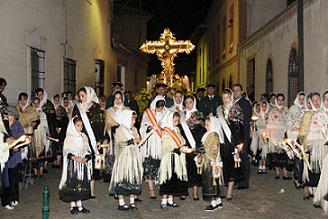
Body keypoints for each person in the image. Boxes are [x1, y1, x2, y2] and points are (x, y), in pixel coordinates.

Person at [72, 86, 109, 198]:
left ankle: (92, 190)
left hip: (94, 139)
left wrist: (100, 140)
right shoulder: (77, 107)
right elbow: (73, 122)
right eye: (80, 96)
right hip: (81, 138)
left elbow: (101, 125)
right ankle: (81, 188)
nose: (81, 98)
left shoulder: (97, 108)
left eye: (83, 96)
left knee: (93, 164)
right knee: (82, 162)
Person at [108, 110, 142, 211]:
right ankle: (121, 202)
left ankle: (132, 201)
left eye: (135, 119)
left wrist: (139, 141)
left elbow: (138, 138)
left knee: (132, 179)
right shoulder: (119, 130)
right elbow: (120, 144)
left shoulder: (134, 129)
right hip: (123, 158)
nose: (134, 121)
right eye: (132, 119)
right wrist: (132, 141)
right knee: (122, 179)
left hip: (133, 157)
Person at [59, 116, 92, 214]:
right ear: (73, 126)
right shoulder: (69, 138)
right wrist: (75, 158)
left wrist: (86, 157)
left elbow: (87, 148)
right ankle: (73, 205)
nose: (80, 128)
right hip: (73, 164)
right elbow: (66, 151)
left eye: (81, 126)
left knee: (80, 184)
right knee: (73, 183)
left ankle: (80, 205)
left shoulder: (83, 136)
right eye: (78, 125)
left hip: (82, 163)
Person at [298, 92, 328, 200]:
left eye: (318, 100)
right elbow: (303, 130)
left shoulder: (323, 113)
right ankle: (307, 188)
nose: (316, 102)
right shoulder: (309, 114)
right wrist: (305, 146)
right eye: (313, 100)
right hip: (312, 144)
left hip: (323, 146)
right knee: (311, 168)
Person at [216, 88, 243, 200]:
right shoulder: (219, 110)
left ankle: (229, 192)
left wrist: (240, 143)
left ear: (231, 97)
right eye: (224, 98)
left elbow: (240, 127)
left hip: (232, 141)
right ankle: (222, 189)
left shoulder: (236, 108)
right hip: (222, 141)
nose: (226, 100)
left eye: (228, 97)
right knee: (222, 164)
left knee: (232, 166)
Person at [158, 111, 188, 209]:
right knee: (167, 179)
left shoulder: (177, 130)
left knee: (174, 179)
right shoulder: (166, 131)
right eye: (175, 121)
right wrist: (177, 149)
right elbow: (166, 145)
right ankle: (164, 200)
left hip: (177, 158)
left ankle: (171, 199)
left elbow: (182, 139)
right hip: (168, 158)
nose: (176, 123)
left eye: (177, 121)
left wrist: (183, 145)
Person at [140, 95, 167, 199]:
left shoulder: (166, 113)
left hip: (161, 141)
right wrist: (148, 127)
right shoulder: (148, 113)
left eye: (161, 106)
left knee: (160, 166)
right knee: (150, 166)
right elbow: (143, 125)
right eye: (158, 106)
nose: (159, 109)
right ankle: (151, 189)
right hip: (151, 142)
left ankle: (160, 185)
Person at [180, 95, 206, 200]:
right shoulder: (182, 115)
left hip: (195, 144)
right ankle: (184, 190)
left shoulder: (199, 114)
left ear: (194, 103)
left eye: (190, 102)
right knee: (184, 168)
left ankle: (195, 192)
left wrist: (198, 147)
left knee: (195, 169)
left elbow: (202, 130)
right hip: (184, 144)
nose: (188, 104)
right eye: (186, 102)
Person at [197, 116, 224, 211]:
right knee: (213, 181)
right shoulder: (208, 134)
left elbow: (212, 149)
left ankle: (213, 203)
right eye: (205, 124)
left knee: (211, 182)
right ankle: (218, 201)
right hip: (207, 161)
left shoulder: (214, 135)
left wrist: (197, 151)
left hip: (211, 162)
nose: (206, 126)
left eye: (208, 125)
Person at [1, 106, 24, 210]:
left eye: (12, 119)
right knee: (6, 180)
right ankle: (7, 199)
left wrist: (19, 145)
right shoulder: (3, 128)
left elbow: (21, 137)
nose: (10, 121)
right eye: (8, 119)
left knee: (14, 178)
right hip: (6, 157)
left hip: (15, 156)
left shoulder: (17, 125)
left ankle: (15, 197)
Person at [103, 90, 129, 182]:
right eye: (116, 98)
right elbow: (107, 126)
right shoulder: (109, 111)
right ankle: (112, 176)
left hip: (124, 137)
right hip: (113, 137)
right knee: (112, 156)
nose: (118, 101)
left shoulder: (127, 110)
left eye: (120, 98)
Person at [232, 84, 252, 189]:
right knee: (236, 157)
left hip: (242, 133)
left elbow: (245, 119)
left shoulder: (245, 103)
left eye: (238, 90)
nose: (236, 92)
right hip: (234, 134)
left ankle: (244, 181)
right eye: (234, 90)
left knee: (243, 157)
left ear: (242, 91)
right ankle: (237, 178)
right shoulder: (232, 103)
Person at [266, 93, 290, 180]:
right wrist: (268, 135)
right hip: (274, 134)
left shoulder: (286, 110)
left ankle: (285, 173)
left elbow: (289, 121)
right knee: (275, 153)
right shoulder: (272, 111)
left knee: (284, 153)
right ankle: (277, 172)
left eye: (281, 100)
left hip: (283, 133)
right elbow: (269, 123)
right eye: (278, 100)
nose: (280, 102)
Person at [35, 88, 57, 173]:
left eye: (42, 94)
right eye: (39, 95)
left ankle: (44, 166)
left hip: (47, 127)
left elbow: (52, 116)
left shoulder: (48, 104)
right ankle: (37, 166)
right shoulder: (34, 104)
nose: (40, 96)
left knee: (47, 146)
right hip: (37, 129)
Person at [31, 97, 50, 178]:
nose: (36, 105)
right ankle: (35, 172)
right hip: (33, 135)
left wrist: (47, 133)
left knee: (41, 152)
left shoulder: (43, 114)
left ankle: (41, 172)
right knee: (34, 153)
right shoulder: (30, 112)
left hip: (41, 135)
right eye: (34, 103)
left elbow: (45, 125)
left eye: (37, 103)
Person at [250, 101, 270, 174]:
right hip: (259, 135)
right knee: (259, 151)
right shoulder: (257, 115)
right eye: (263, 106)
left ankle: (264, 166)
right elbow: (253, 125)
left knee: (264, 151)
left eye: (265, 106)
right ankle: (260, 166)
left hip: (265, 134)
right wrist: (253, 124)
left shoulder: (268, 115)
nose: (264, 108)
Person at [52, 94, 69, 168]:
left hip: (62, 132)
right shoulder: (51, 109)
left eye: (58, 100)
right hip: (54, 131)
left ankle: (58, 162)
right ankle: (54, 162)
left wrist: (60, 127)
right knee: (54, 146)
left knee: (60, 146)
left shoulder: (62, 110)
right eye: (55, 100)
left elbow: (65, 121)